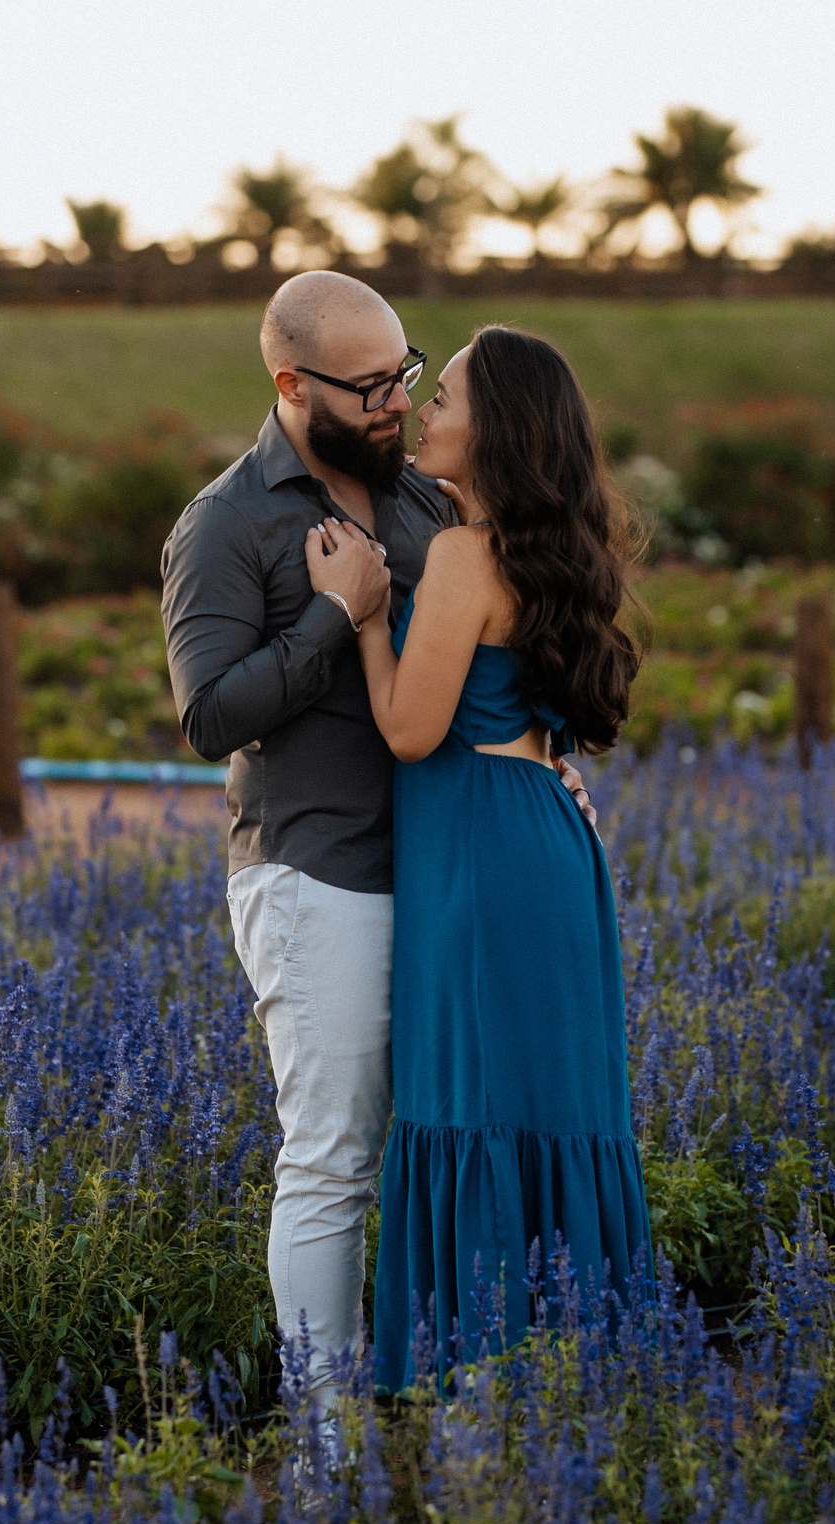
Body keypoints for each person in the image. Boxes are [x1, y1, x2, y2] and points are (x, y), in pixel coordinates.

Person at [161, 275, 593, 1422]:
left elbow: (497, 643)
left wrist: (547, 759)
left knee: (453, 1145)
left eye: (405, 374)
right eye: (370, 387)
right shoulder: (227, 523)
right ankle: (328, 1454)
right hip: (322, 875)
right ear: (292, 385)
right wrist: (330, 613)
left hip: (451, 880)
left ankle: (463, 1423)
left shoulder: (424, 502)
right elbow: (209, 717)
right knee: (335, 1160)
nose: (399, 401)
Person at [305, 326, 652, 1391]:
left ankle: (482, 1396)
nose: (424, 410)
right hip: (548, 839)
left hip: (479, 860)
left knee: (474, 1098)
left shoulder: (464, 556)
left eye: (445, 397)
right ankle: (576, 1377)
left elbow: (412, 732)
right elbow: (549, 724)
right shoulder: (561, 554)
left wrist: (367, 615)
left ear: (495, 428)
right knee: (558, 1108)